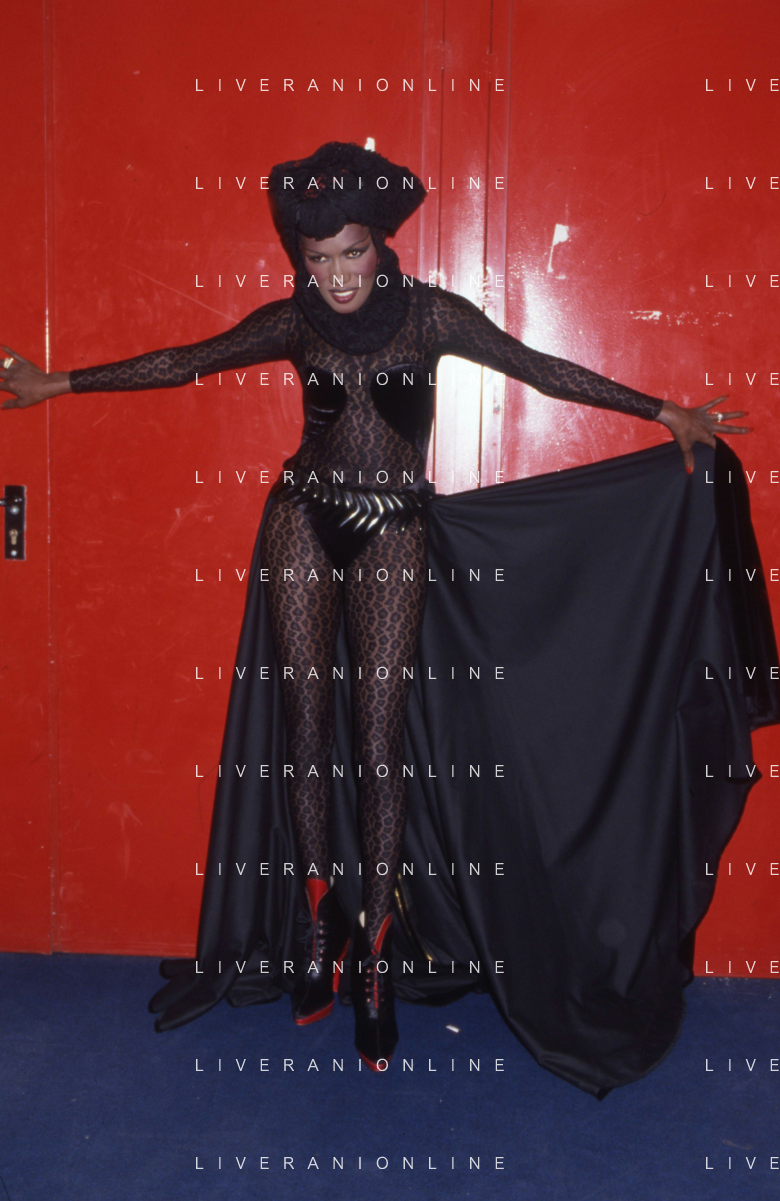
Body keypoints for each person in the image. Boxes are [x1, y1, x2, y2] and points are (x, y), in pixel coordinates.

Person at [0, 142, 754, 1079]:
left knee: (380, 735)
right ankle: (320, 923)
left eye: (349, 253)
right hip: (302, 520)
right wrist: (54, 382)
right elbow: (186, 360)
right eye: (317, 260)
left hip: (396, 526)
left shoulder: (431, 315)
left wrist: (666, 412)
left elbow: (537, 367)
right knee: (307, 724)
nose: (336, 276)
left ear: (380, 243)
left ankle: (376, 956)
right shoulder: (296, 321)